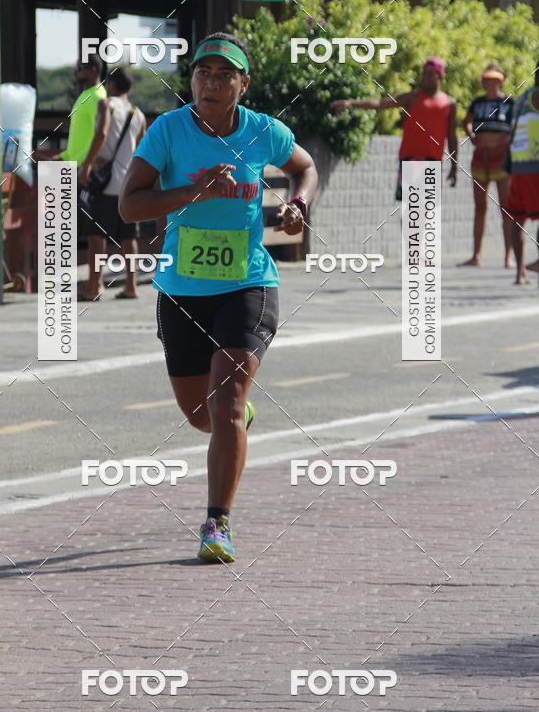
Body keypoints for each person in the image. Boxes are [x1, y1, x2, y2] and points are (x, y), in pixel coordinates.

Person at [119, 31, 318, 563]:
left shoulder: (262, 132)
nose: (211, 82)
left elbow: (305, 166)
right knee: (200, 415)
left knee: (226, 401)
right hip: (182, 289)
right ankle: (235, 421)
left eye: (224, 74)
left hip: (248, 283)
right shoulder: (167, 132)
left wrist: (299, 202)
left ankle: (216, 524)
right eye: (203, 73)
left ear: (242, 84)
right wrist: (192, 192)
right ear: (192, 81)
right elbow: (129, 207)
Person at [331, 57, 458, 199]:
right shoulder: (412, 98)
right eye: (424, 73)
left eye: (430, 73)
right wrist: (350, 103)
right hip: (410, 160)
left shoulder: (449, 103)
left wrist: (454, 166)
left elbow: (451, 136)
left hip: (432, 162)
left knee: (428, 214)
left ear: (440, 76)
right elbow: (380, 103)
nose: (425, 76)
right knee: (411, 211)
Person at [78, 68, 147, 300]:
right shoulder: (138, 114)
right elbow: (141, 148)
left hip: (106, 182)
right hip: (128, 183)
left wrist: (87, 165)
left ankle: (93, 286)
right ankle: (131, 286)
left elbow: (101, 134)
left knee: (96, 235)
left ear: (113, 85)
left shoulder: (106, 105)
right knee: (129, 236)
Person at [459, 64, 514, 268]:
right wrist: (471, 137)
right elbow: (466, 122)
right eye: (486, 79)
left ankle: (508, 256)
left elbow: (518, 126)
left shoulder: (509, 103)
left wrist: (506, 141)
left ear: (501, 80)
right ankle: (476, 255)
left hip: (501, 158)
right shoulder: (478, 102)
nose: (489, 83)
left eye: (493, 79)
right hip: (480, 157)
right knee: (480, 207)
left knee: (506, 207)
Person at [504, 65, 539, 284]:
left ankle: (520, 272)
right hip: (535, 164)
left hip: (518, 164)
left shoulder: (522, 97)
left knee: (517, 218)